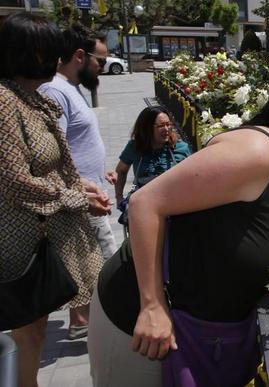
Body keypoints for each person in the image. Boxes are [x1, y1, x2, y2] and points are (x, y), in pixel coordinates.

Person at [89, 75, 269, 386]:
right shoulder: (255, 154)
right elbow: (144, 204)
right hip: (138, 319)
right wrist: (152, 306)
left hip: (197, 328)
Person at [0, 12, 111, 387]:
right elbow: (15, 181)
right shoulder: (4, 102)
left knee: (34, 330)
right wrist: (76, 196)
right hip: (25, 241)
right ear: (27, 52)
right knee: (29, 332)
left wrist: (81, 183)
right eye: (49, 51)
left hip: (49, 233)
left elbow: (48, 165)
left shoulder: (29, 98)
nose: (56, 59)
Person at [39, 24, 119, 340]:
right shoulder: (56, 91)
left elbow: (77, 141)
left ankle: (84, 321)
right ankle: (110, 323)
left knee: (87, 262)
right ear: (79, 56)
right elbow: (51, 150)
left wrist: (100, 173)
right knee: (109, 262)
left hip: (89, 189)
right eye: (99, 60)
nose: (101, 66)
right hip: (81, 197)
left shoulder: (70, 87)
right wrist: (82, 185)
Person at [114, 106, 192, 224]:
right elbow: (121, 170)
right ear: (146, 128)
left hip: (176, 208)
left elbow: (193, 175)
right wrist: (119, 198)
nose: (166, 129)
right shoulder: (135, 147)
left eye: (168, 124)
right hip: (146, 209)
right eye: (161, 126)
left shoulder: (181, 148)